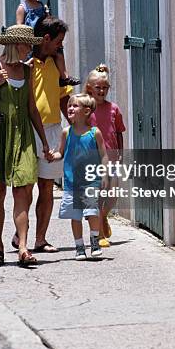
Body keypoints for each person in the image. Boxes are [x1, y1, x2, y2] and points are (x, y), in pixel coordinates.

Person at [0, 25, 53, 267]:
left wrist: (45, 142)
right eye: (28, 45)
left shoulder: (27, 71)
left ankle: (24, 248)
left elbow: (32, 108)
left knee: (24, 190)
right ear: (17, 45)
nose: (31, 49)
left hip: (24, 136)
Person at [11, 15, 73, 253]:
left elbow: (63, 98)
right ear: (46, 38)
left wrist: (77, 131)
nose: (61, 45)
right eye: (59, 41)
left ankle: (40, 239)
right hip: (29, 130)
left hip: (53, 130)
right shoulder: (26, 66)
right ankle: (21, 234)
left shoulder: (57, 65)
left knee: (47, 187)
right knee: (26, 187)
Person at [54, 93, 108, 260]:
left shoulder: (94, 133)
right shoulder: (66, 132)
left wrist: (105, 175)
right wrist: (51, 155)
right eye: (69, 105)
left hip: (91, 181)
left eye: (74, 106)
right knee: (75, 216)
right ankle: (79, 247)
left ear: (86, 111)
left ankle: (94, 241)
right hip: (71, 183)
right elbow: (60, 153)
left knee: (92, 212)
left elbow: (104, 155)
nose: (70, 108)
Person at [84, 64, 126, 248]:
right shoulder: (86, 108)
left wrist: (121, 154)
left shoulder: (113, 109)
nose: (101, 91)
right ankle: (100, 233)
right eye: (98, 87)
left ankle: (103, 217)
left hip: (112, 157)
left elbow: (118, 132)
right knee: (99, 196)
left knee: (114, 194)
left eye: (105, 88)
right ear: (89, 88)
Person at [16, 0, 79, 86]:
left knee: (58, 51)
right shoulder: (22, 8)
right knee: (28, 58)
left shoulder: (42, 6)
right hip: (30, 38)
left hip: (43, 36)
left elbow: (48, 20)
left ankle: (64, 76)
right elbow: (19, 25)